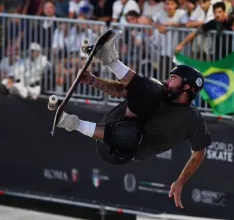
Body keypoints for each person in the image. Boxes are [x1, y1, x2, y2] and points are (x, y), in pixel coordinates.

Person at [55, 30, 212, 209]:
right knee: (153, 88)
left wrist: (180, 182)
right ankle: (109, 59)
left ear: (187, 88)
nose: (168, 81)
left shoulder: (193, 119)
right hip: (115, 121)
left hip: (119, 150)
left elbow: (199, 152)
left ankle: (72, 123)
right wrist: (92, 80)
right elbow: (122, 90)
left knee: (131, 133)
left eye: (173, 79)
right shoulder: (162, 91)